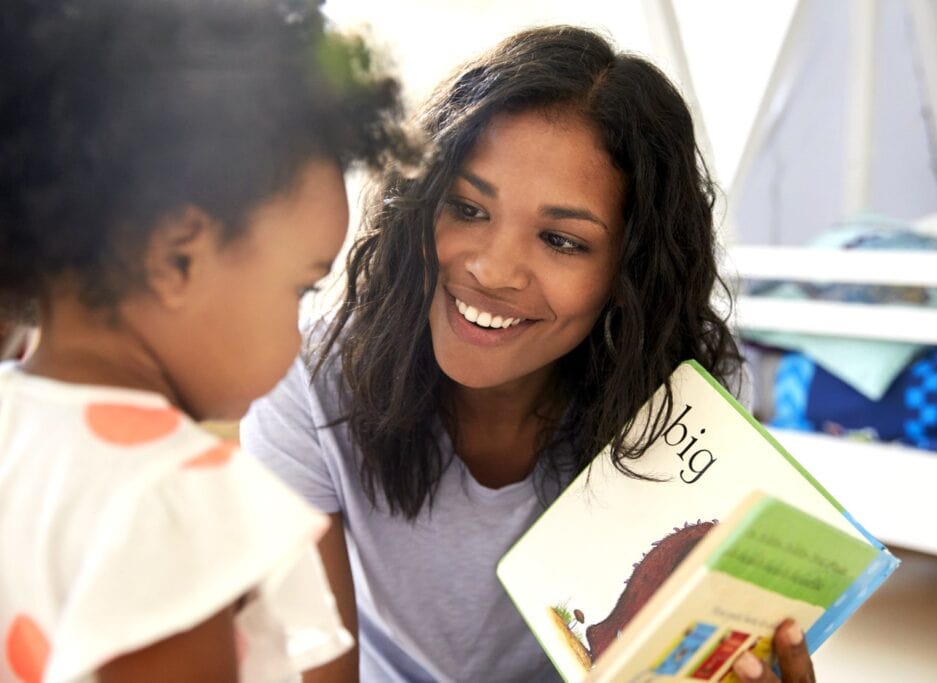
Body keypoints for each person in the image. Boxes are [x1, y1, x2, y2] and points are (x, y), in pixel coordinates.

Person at [242, 25, 816, 683]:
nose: (492, 269)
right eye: (467, 206)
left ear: (630, 272)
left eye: (562, 240)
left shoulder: (686, 400)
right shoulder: (312, 385)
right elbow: (314, 659)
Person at [0, 0, 412, 680]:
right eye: (300, 289)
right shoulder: (169, 502)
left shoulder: (15, 426)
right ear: (174, 258)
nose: (298, 332)